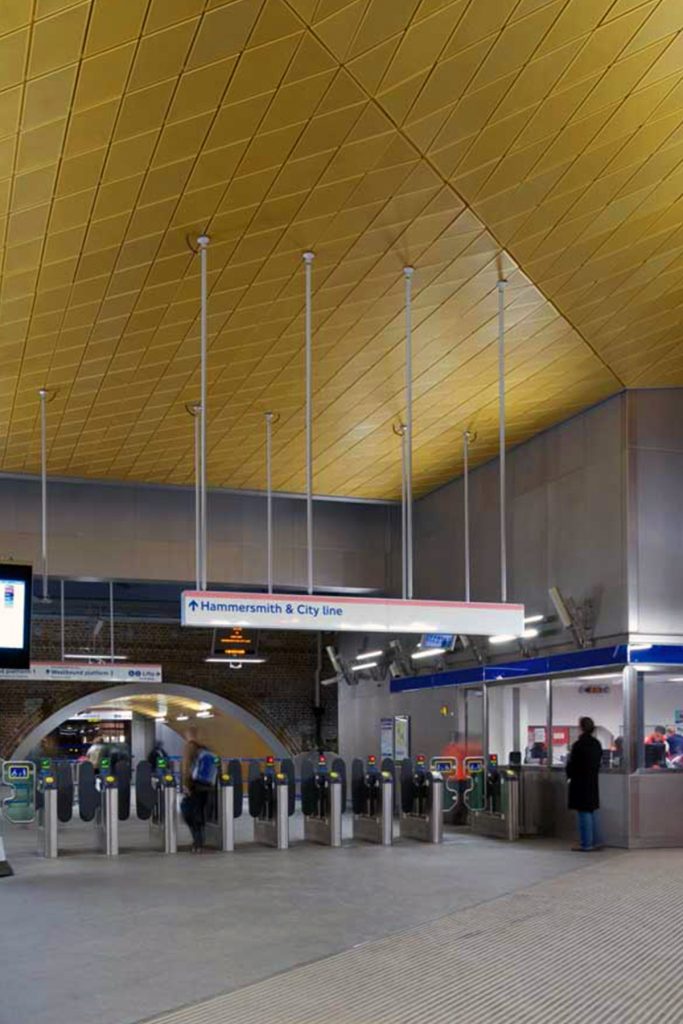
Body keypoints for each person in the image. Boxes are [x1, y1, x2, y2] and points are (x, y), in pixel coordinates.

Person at [566, 717, 603, 852]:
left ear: (581, 728)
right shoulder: (596, 744)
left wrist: (569, 775)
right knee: (592, 810)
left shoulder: (579, 745)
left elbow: (572, 764)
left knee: (583, 812)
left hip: (579, 782)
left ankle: (586, 844)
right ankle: (596, 841)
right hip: (592, 781)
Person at [180, 727, 211, 853]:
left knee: (188, 811)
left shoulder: (189, 747)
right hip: (206, 786)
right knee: (200, 812)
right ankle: (200, 841)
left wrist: (186, 785)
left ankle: (197, 842)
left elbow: (186, 768)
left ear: (188, 735)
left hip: (194, 786)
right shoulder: (204, 748)